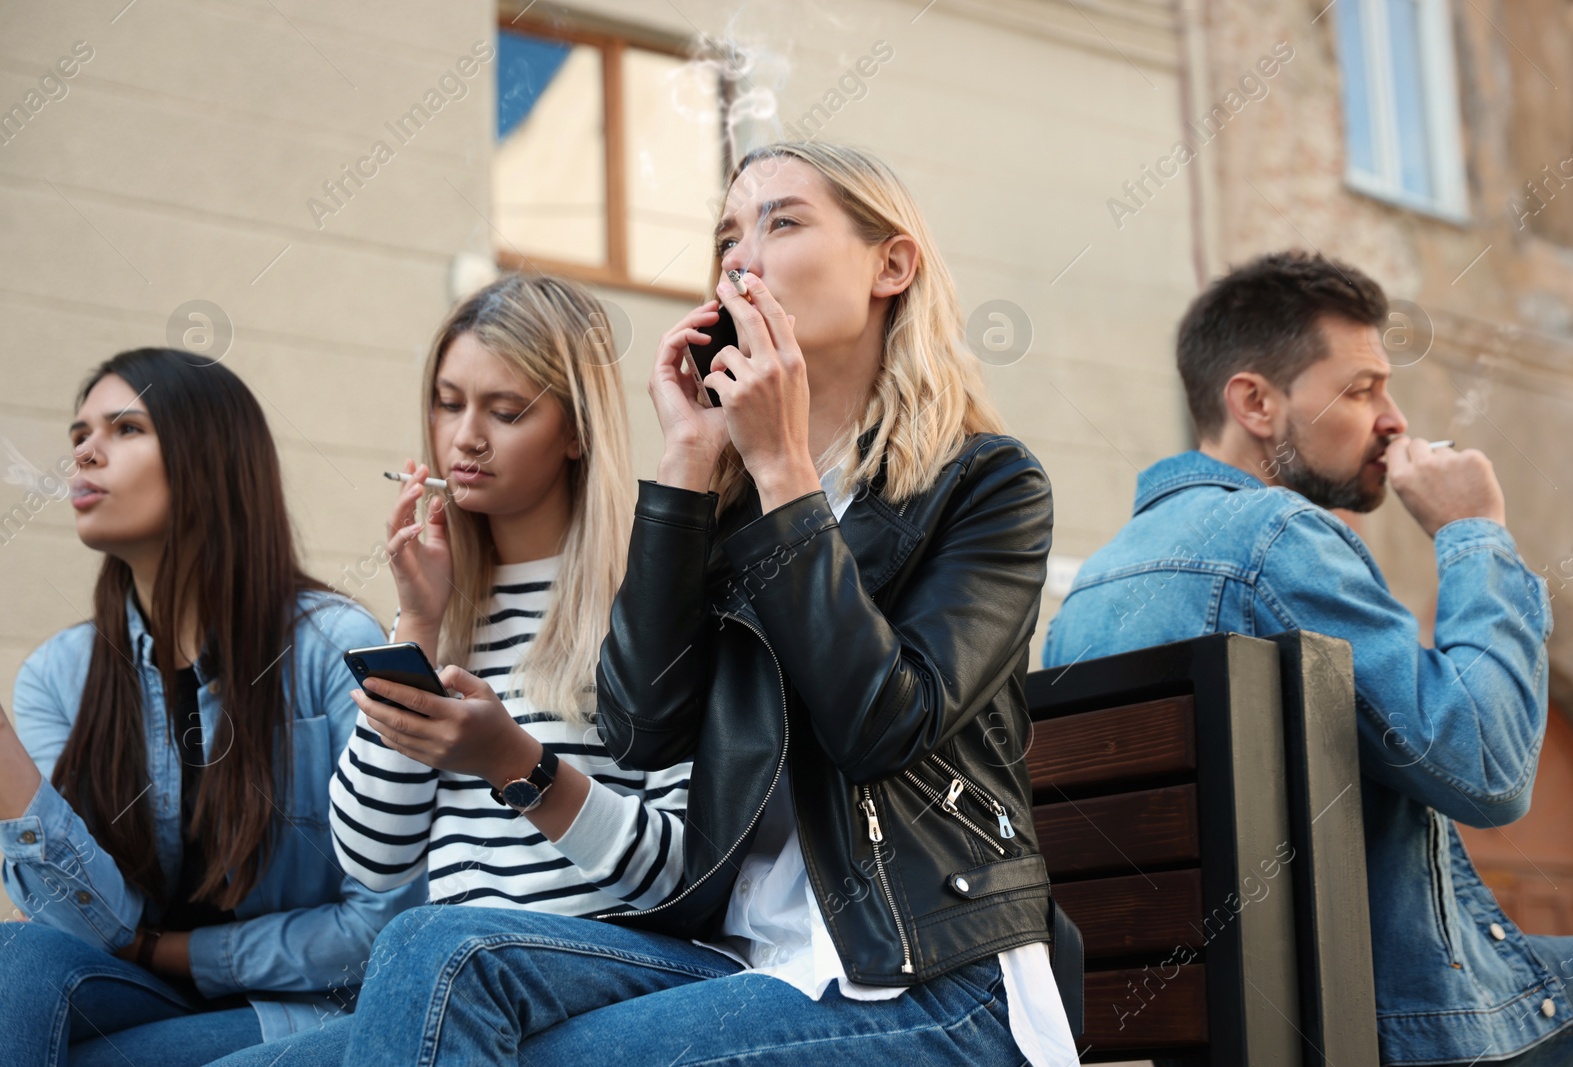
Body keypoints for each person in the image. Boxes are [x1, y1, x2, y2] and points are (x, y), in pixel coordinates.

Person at [323, 141, 1079, 1066]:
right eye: (727, 234)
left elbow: (881, 723)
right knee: (434, 946)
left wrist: (782, 469)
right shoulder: (728, 504)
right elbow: (642, 726)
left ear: (892, 265)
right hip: (746, 963)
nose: (741, 257)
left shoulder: (985, 484)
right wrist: (687, 463)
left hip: (930, 978)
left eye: (782, 221)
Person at [1044, 251, 1573, 1065]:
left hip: (1225, 1031)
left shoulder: (1090, 587)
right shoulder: (1278, 537)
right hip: (1383, 1023)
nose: (1394, 420)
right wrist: (1473, 532)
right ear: (1256, 402)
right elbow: (1487, 767)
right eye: (1363, 388)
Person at [212, 274, 692, 1067]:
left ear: (576, 431)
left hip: (616, 963)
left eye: (505, 412)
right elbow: (373, 856)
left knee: (438, 941)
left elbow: (675, 872)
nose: (466, 436)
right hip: (451, 976)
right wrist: (421, 621)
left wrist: (518, 766)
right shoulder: (442, 607)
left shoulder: (653, 595)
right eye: (447, 402)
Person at [0, 349, 423, 1067]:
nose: (84, 452)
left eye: (125, 428)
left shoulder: (330, 646)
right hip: (137, 985)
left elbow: (382, 921)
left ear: (210, 459)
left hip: (304, 1006)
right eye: (78, 435)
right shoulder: (59, 676)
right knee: (20, 954)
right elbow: (76, 926)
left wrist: (172, 951)